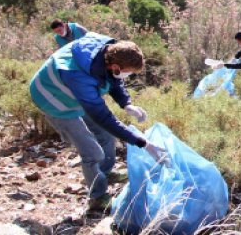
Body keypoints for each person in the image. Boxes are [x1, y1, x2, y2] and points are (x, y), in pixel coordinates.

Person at [29, 33, 168, 213]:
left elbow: (114, 79)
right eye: (128, 72)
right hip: (53, 99)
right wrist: (143, 143)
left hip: (73, 92)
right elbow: (103, 117)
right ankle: (97, 198)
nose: (127, 76)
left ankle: (105, 173)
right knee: (92, 152)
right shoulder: (80, 78)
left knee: (107, 136)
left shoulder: (109, 50)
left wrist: (126, 103)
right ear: (116, 66)